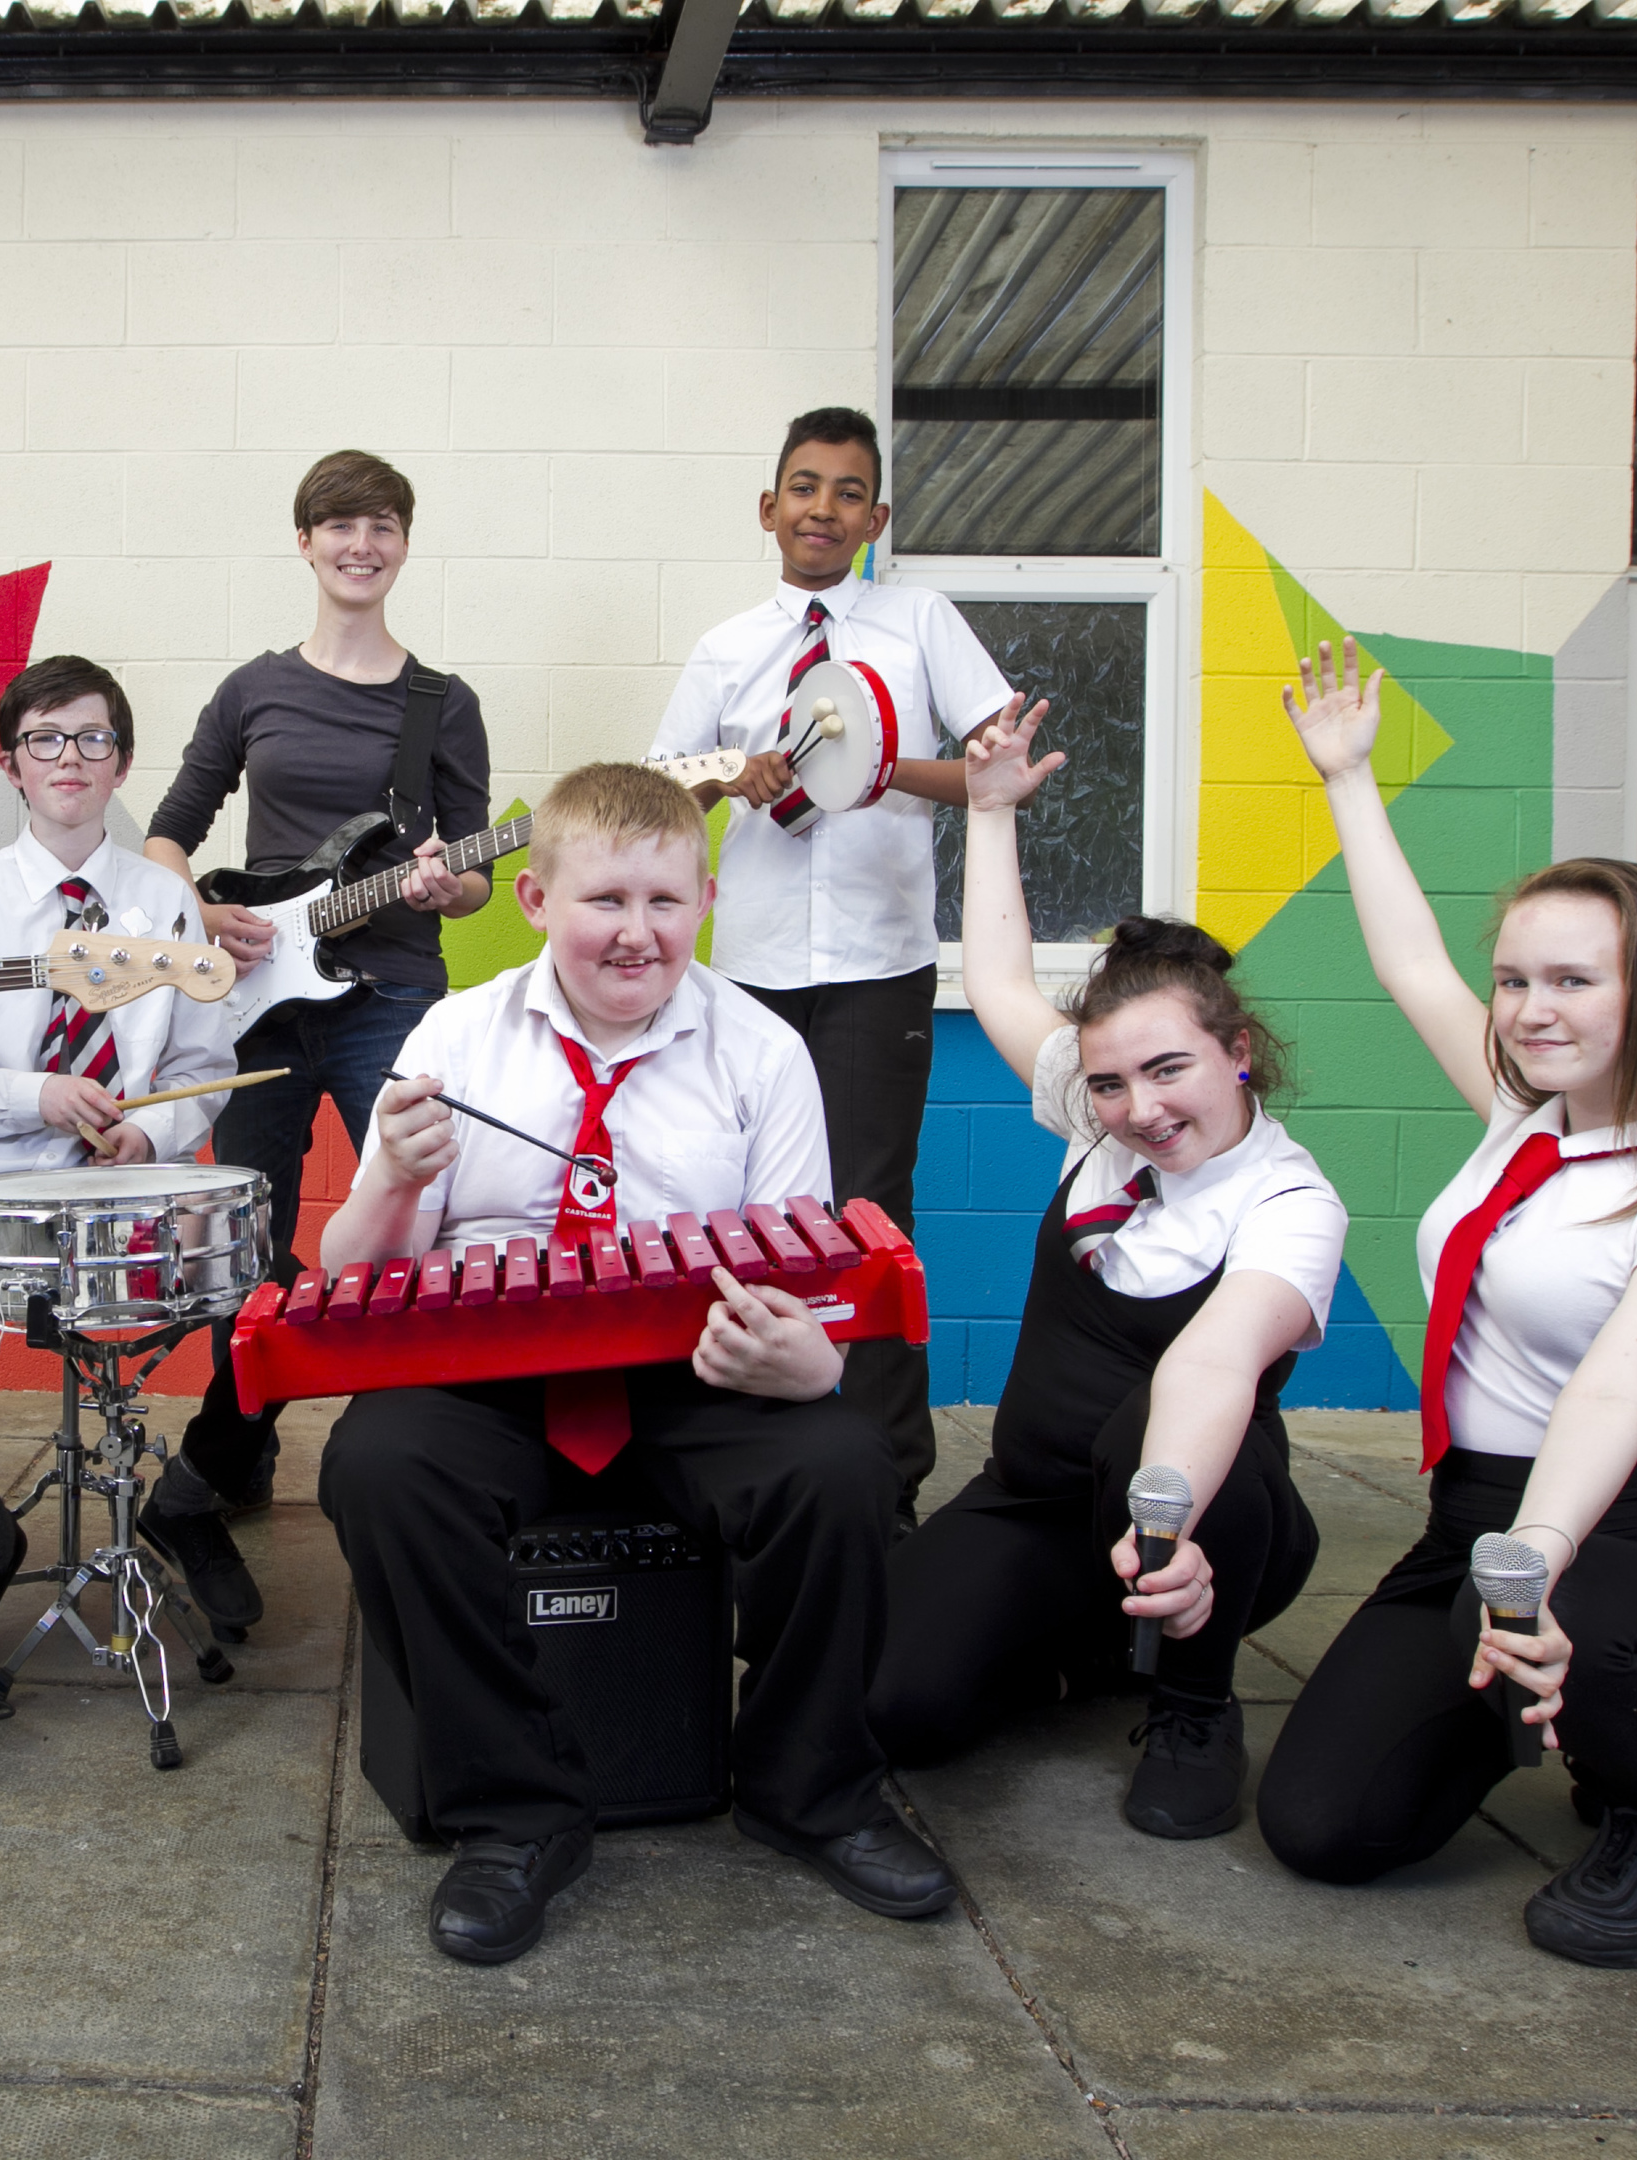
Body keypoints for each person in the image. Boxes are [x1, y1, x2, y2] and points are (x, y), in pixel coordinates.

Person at [319, 763, 948, 1967]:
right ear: (537, 901)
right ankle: (514, 1813)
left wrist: (803, 1365)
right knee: (378, 1465)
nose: (636, 933)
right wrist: (395, 1176)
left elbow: (802, 1290)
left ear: (706, 901)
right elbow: (355, 1273)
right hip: (490, 1362)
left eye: (665, 903)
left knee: (846, 1466)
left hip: (694, 1365)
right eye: (605, 900)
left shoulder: (761, 1052)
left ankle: (807, 1789)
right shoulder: (455, 1034)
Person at [1257, 638, 1637, 1970]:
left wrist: (1535, 1566)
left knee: (1580, 1624)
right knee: (1324, 1825)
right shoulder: (1520, 1122)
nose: (1528, 1009)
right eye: (1517, 980)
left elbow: (1615, 1390)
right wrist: (1348, 779)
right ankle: (1537, 1698)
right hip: (1477, 1527)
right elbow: (1408, 965)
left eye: (1572, 981)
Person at [867, 704, 1339, 1840]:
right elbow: (997, 977)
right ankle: (1079, 1657)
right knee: (895, 1708)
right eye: (1114, 1083)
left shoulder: (1289, 1203)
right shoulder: (1100, 1128)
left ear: (1236, 1050)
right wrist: (987, 814)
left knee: (1150, 1426)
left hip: (1210, 1519)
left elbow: (1217, 1368)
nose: (1142, 1109)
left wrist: (1165, 1524)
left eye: (1169, 1069)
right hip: (1037, 1509)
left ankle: (1192, 1701)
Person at [647, 406, 1016, 1521]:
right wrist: (732, 774)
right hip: (749, 967)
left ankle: (889, 1467)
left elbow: (998, 767)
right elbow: (663, 790)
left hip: (877, 963)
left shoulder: (919, 623)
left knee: (867, 1210)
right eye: (803, 487)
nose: (823, 508)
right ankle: (741, 1436)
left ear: (877, 517)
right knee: (742, 1205)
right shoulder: (726, 647)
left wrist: (879, 767)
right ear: (770, 508)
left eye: (848, 492)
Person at [143, 448, 493, 1585]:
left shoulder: (442, 703)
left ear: (403, 545)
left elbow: (477, 868)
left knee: (433, 1203)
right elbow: (167, 834)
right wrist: (192, 906)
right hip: (253, 1000)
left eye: (383, 524)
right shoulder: (253, 689)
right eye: (339, 524)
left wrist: (455, 882)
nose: (361, 543)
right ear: (306, 542)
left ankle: (436, 1446)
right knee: (244, 1231)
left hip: (390, 990)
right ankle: (241, 1441)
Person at [0, 656, 239, 1676]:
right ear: (11, 767)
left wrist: (151, 1135)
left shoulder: (166, 903)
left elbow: (206, 1066)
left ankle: (191, 1504)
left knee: (269, 1296)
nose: (69, 757)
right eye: (44, 739)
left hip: (126, 1188)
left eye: (92, 739)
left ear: (123, 765)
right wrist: (40, 1095)